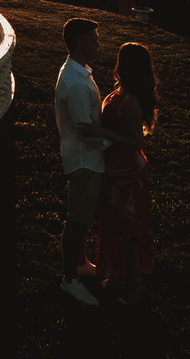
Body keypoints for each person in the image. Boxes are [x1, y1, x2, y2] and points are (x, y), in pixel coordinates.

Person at [78, 41, 158, 306]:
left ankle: (136, 284)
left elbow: (136, 141)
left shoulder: (131, 100)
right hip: (113, 170)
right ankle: (117, 273)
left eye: (120, 59)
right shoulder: (119, 92)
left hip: (128, 173)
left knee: (129, 228)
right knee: (114, 224)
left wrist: (101, 132)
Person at [54, 17, 114, 306]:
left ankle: (80, 263)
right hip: (84, 160)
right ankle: (70, 281)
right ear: (80, 43)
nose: (98, 44)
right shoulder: (76, 83)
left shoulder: (79, 72)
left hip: (89, 159)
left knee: (84, 217)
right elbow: (85, 131)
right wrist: (110, 144)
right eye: (94, 39)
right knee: (77, 220)